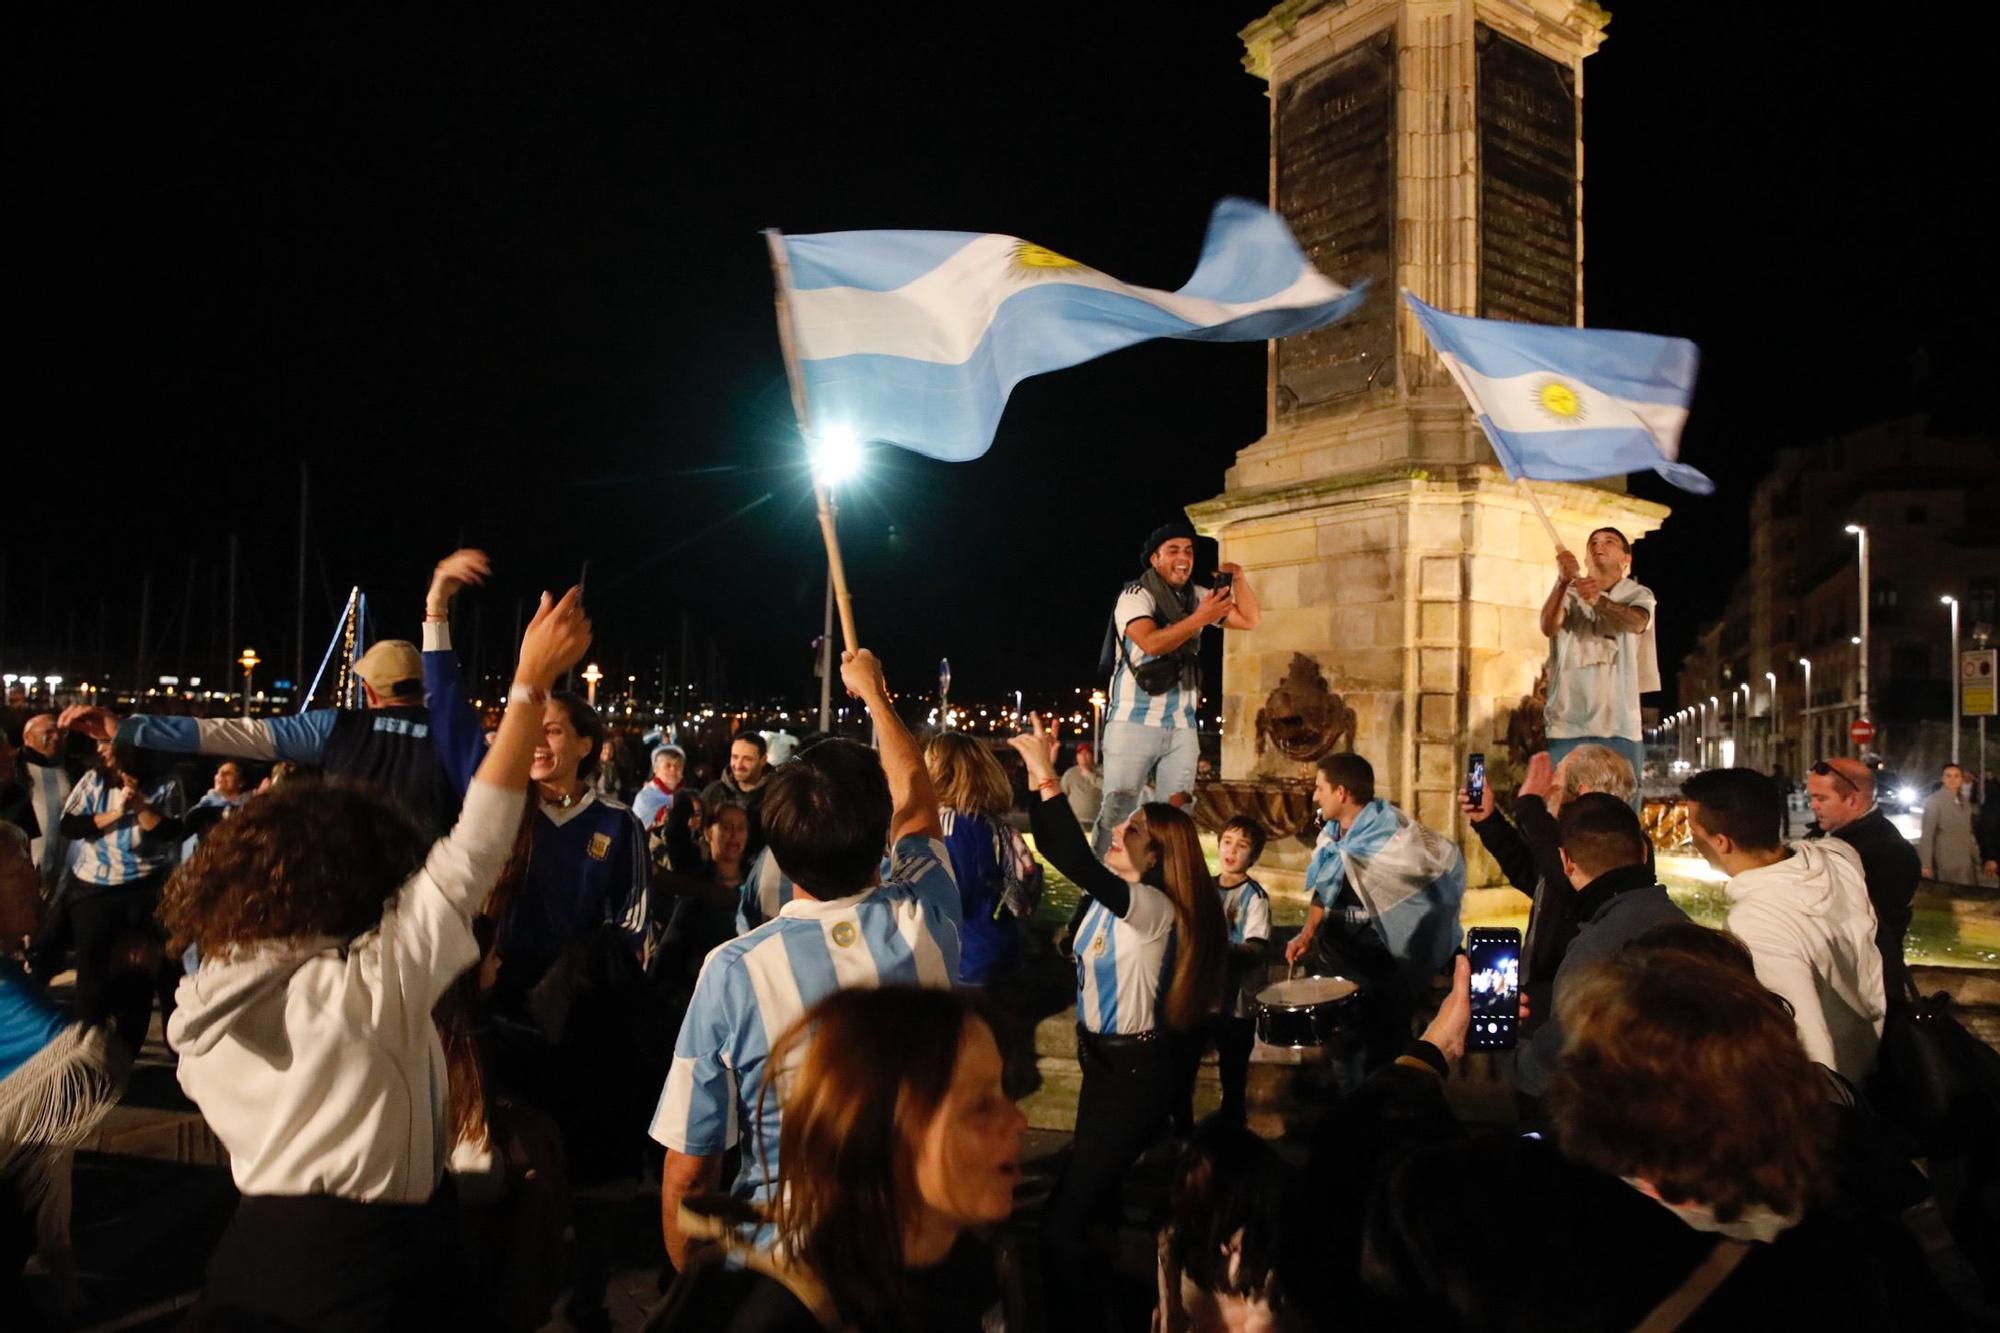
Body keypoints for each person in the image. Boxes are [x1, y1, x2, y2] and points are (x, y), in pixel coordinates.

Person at [158, 586, 590, 1331]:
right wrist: (529, 683)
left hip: (246, 1261)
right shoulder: (373, 985)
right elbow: (480, 838)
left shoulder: (204, 1001)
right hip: (379, 1273)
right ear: (366, 871)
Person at [1352, 941, 1935, 1330]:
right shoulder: (1856, 1260)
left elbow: (1356, 1179)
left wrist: (1434, 1050)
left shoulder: (1510, 1219)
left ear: (1588, 1091)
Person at [652, 650, 961, 1272]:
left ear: (780, 851)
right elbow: (919, 806)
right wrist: (875, 697)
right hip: (909, 1251)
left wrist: (694, 1286)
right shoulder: (926, 922)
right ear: (880, 842)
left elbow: (691, 1164)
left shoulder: (732, 971)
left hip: (778, 1270)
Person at [1009, 713, 1225, 1329]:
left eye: (1132, 831)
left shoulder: (1152, 908)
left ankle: (1076, 1316)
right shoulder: (1108, 905)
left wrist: (1046, 777)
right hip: (1104, 1064)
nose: (1118, 831)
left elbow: (1066, 854)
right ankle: (1119, 1305)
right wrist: (1037, 774)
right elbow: (1066, 859)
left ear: (1158, 856)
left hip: (1135, 1073)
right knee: (1094, 1203)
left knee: (1064, 1220)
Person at [651, 987, 1028, 1333]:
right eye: (981, 1106)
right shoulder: (791, 1315)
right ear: (883, 1130)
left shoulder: (976, 1267)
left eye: (1005, 1092)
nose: (1018, 1122)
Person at [66, 628, 466, 840]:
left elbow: (232, 733)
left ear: (369, 690)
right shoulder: (454, 735)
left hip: (349, 880)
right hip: (432, 887)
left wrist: (131, 729)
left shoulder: (334, 726)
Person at [1681, 767, 1885, 1081]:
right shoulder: (1838, 857)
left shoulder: (1757, 923)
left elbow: (1805, 1039)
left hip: (1837, 1095)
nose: (1690, 839)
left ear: (1721, 842)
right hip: (1871, 1053)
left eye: (1694, 830)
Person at [1284, 753, 1465, 1078]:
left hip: (1382, 970)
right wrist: (1307, 933)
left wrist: (1430, 937)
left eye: (1320, 788)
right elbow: (1325, 886)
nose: (1315, 796)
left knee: (1384, 1056)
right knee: (1343, 1055)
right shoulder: (1333, 835)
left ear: (1341, 793)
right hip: (1337, 960)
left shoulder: (1394, 837)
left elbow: (1440, 871)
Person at [1093, 517, 1259, 855]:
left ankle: (1164, 877)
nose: (1183, 557)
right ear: (1155, 559)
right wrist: (1201, 617)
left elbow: (1249, 620)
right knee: (1118, 808)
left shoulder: (1197, 596)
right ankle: (1097, 879)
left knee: (1177, 810)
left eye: (1188, 550)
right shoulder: (1135, 595)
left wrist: (1238, 580)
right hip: (1132, 721)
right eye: (1173, 550)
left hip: (1182, 723)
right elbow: (1152, 643)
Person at [1514, 794, 1689, 1101]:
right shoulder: (1688, 929)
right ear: (1645, 851)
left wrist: (1507, 1040)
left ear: (1566, 861)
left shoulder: (1593, 954)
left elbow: (1546, 1072)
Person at [1459, 745, 1638, 1037]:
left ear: (1581, 793)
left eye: (1555, 781)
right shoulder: (1566, 857)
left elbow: (1565, 881)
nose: (1549, 789)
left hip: (1569, 1016)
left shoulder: (1619, 852)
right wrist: (1488, 820)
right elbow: (1532, 874)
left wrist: (1528, 802)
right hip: (1543, 1007)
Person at [35, 738, 185, 1044]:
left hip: (146, 890)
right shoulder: (94, 780)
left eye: (111, 748)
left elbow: (169, 832)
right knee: (92, 975)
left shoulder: (167, 784)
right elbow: (72, 825)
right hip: (96, 888)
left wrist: (141, 805)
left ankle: (127, 1052)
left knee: (140, 974)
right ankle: (84, 1050)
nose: (102, 752)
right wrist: (118, 812)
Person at [1538, 527, 1658, 803]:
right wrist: (1561, 582)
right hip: (1568, 724)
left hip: (1619, 725)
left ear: (1626, 559)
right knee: (1566, 807)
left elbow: (1638, 622)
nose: (1598, 545)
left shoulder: (1637, 593)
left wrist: (1599, 602)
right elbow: (1548, 625)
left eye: (1609, 541)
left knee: (1622, 809)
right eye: (1592, 541)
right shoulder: (1567, 592)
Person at [925, 733, 1038, 988]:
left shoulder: (950, 827)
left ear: (942, 770)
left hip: (965, 962)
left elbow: (948, 900)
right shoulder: (996, 825)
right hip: (1001, 951)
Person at [1804, 757, 1921, 999]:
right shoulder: (1828, 836)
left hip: (1866, 993)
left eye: (1821, 798)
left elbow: (1874, 932)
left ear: (1853, 800)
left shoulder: (1889, 852)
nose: (1813, 806)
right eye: (1812, 797)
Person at [1190, 815, 1270, 1131]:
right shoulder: (1204, 887)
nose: (1231, 851)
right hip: (1202, 999)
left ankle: (1231, 1128)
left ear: (1253, 856)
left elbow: (1257, 947)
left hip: (1236, 1004)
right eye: (1227, 842)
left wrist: (1216, 951)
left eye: (1242, 846)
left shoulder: (1254, 897)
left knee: (1233, 1071)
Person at [17, 715, 72, 894]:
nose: (56, 737)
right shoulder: (16, 770)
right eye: (48, 732)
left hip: (58, 869)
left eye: (59, 732)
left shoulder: (67, 767)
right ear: (28, 737)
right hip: (23, 869)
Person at [703, 732, 772, 857]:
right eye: (735, 757)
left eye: (747, 759)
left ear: (763, 760)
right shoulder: (713, 792)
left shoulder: (776, 795)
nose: (738, 765)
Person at [1920, 762, 1983, 887]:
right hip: (1946, 858)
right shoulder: (1934, 801)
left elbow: (1968, 831)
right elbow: (1927, 835)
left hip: (1965, 859)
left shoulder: (1964, 802)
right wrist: (1925, 864)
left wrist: (1976, 856)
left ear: (1961, 779)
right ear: (1942, 779)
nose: (1952, 780)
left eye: (1956, 776)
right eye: (1948, 776)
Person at [182, 760, 251, 846]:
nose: (220, 776)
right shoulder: (204, 806)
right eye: (218, 773)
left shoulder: (250, 807)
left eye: (228, 773)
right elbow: (181, 834)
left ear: (241, 782)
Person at [633, 744, 687, 830]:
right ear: (656, 769)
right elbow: (636, 832)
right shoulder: (645, 798)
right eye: (667, 765)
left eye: (678, 766)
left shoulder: (688, 796)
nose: (673, 769)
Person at [1062, 741, 1103, 830]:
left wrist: (1089, 774)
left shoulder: (1101, 771)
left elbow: (1106, 787)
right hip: (1076, 822)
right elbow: (1062, 796)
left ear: (1092, 756)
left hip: (1097, 822)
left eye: (1087, 753)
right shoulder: (1070, 773)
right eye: (1080, 754)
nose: (1084, 757)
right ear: (1077, 757)